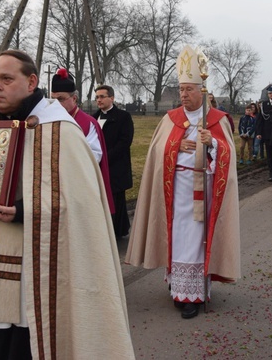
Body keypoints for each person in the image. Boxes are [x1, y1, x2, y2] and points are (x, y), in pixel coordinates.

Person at [0, 50, 134, 359]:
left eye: (7, 79)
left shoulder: (60, 130)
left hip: (37, 267)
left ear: (31, 82)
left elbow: (82, 205)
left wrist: (24, 212)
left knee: (29, 340)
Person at [125, 45, 240, 319]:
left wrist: (212, 143)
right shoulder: (171, 119)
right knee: (178, 236)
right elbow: (155, 152)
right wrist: (176, 146)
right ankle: (179, 286)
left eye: (189, 90)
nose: (183, 95)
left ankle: (194, 294)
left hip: (206, 190)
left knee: (197, 239)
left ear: (201, 91)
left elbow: (229, 155)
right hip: (176, 191)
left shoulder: (217, 119)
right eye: (181, 90)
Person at [50, 68, 115, 214]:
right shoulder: (48, 120)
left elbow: (94, 156)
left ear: (74, 99)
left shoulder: (87, 123)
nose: (55, 104)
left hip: (78, 185)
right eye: (52, 99)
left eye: (60, 99)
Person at [93, 84, 134, 239]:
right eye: (97, 97)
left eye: (102, 96)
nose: (99, 100)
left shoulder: (123, 117)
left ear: (112, 98)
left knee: (116, 200)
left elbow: (125, 142)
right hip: (97, 165)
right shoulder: (93, 117)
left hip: (115, 166)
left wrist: (105, 158)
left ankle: (116, 232)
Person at [256, 85, 272, 182]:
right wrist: (259, 132)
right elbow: (260, 120)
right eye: (270, 93)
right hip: (267, 134)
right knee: (269, 156)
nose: (271, 95)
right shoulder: (264, 105)